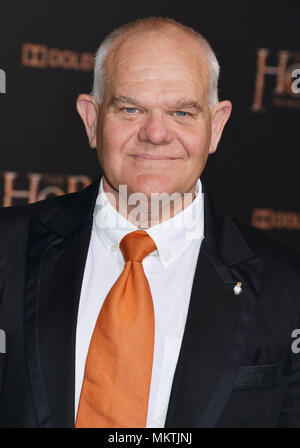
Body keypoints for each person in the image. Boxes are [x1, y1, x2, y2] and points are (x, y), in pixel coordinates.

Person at [0, 16, 300, 428]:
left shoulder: (288, 288)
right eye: (130, 109)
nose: (156, 134)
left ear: (217, 127)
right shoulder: (7, 248)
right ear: (91, 120)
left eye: (181, 112)